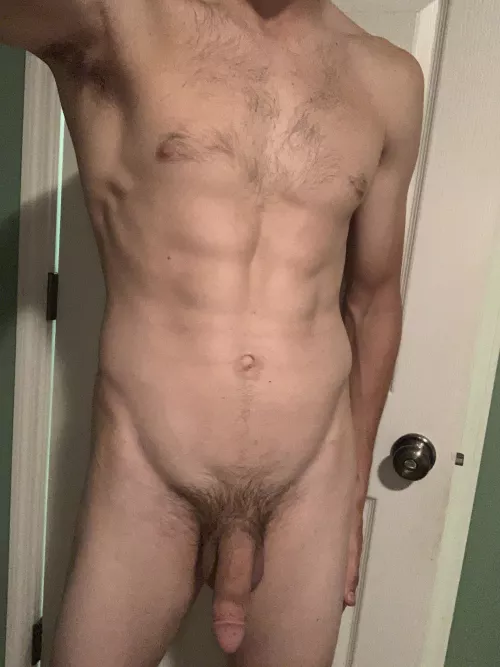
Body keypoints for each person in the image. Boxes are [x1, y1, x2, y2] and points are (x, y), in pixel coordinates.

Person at [1, 1, 424, 665]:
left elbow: (374, 301)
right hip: (144, 470)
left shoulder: (389, 79)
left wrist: (351, 499)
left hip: (311, 479)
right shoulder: (122, 20)